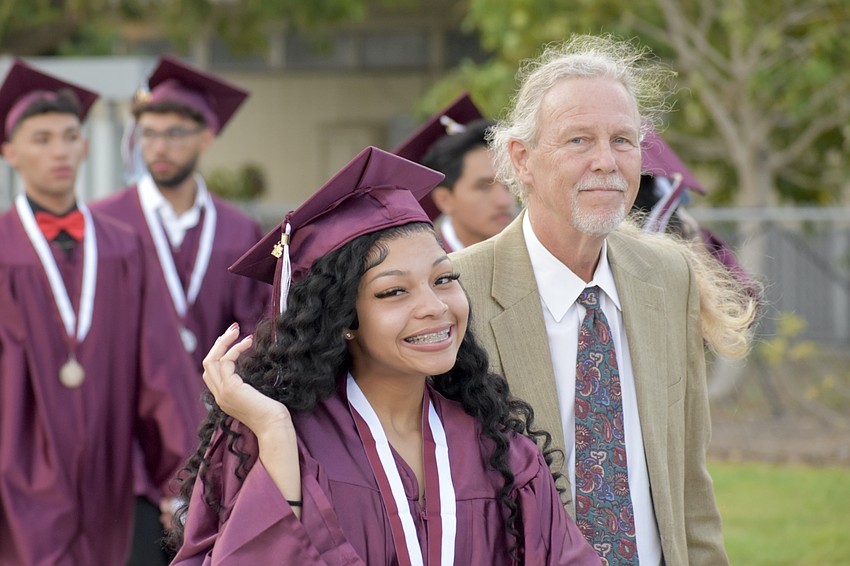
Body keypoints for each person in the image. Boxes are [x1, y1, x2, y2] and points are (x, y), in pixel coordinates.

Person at [168, 146, 600, 565]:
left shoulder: (502, 452)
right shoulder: (272, 440)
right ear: (342, 317)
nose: (434, 306)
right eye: (394, 291)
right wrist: (275, 432)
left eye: (444, 279)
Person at [450, 35, 758, 565]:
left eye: (623, 139)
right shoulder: (458, 292)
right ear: (522, 159)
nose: (606, 162)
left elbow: (689, 484)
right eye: (578, 140)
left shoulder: (670, 278)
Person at [0, 59, 201, 566]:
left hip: (115, 478)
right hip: (14, 480)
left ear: (86, 147)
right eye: (41, 139)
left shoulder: (123, 247)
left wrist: (181, 478)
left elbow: (161, 368)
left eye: (70, 137)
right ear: (10, 152)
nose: (59, 151)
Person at [90, 56, 270, 565]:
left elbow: (257, 333)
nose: (159, 147)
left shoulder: (239, 232)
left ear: (206, 136)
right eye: (148, 134)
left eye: (173, 133)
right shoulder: (105, 225)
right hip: (125, 453)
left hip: (218, 442)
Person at [394, 92, 516, 251]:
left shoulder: (535, 260)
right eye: (484, 187)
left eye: (508, 183)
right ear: (444, 199)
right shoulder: (422, 268)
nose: (504, 201)